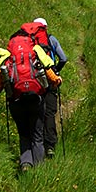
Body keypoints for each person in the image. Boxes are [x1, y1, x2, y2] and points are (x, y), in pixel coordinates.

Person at [0, 24, 62, 172]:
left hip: (16, 102)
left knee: (24, 134)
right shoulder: (35, 53)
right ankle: (39, 170)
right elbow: (51, 77)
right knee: (37, 135)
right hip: (36, 100)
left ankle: (26, 164)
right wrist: (57, 81)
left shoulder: (8, 58)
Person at [33, 17, 68, 157]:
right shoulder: (51, 40)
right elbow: (63, 58)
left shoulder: (30, 41)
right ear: (45, 27)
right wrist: (55, 71)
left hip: (34, 79)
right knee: (49, 112)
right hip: (50, 78)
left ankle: (37, 143)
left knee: (36, 111)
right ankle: (50, 146)